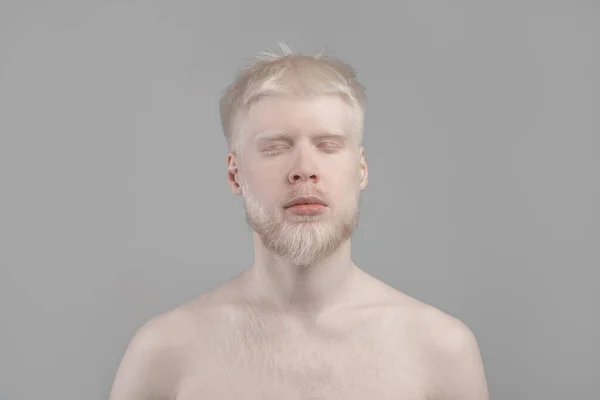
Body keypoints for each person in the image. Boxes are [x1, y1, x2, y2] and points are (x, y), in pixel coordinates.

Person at [109, 43, 490, 400]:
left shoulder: (441, 351)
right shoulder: (164, 354)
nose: (304, 170)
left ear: (360, 169)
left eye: (327, 146)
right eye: (276, 147)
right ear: (235, 173)